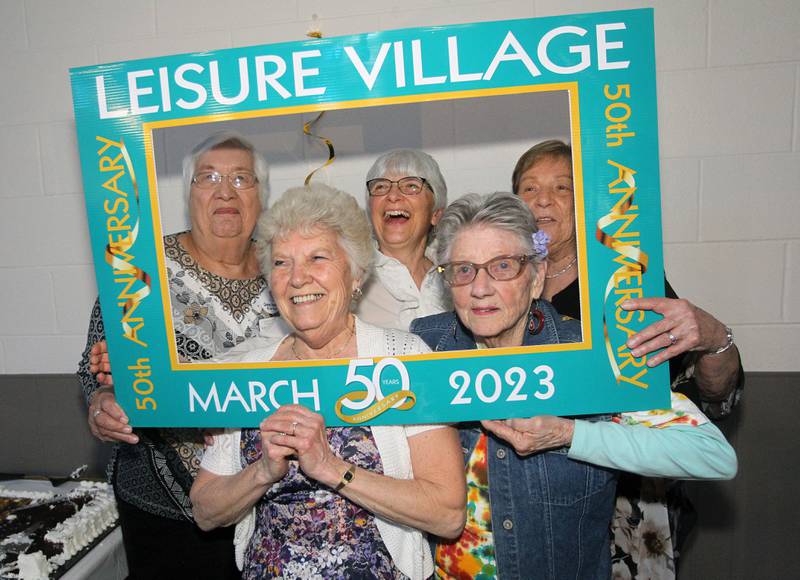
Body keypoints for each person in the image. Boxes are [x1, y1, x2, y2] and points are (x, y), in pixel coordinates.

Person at [410, 192, 737, 579]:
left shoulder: (591, 358)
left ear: (536, 277)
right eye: (464, 269)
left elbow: (714, 455)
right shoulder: (425, 348)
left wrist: (570, 434)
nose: (480, 288)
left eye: (502, 266)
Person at [190, 183, 466, 580]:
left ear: (355, 273)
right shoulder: (248, 371)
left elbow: (446, 513)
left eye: (317, 258)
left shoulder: (404, 359)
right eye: (282, 263)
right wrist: (262, 473)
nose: (298, 278)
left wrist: (332, 468)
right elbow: (204, 511)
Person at [512, 140, 744, 575]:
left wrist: (714, 337)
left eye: (563, 188)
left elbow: (713, 394)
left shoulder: (624, 279)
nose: (543, 200)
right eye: (529, 188)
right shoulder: (500, 283)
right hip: (526, 497)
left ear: (588, 203)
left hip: (625, 498)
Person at [77, 132, 278, 579]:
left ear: (262, 195)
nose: (225, 191)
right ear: (189, 193)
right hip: (161, 514)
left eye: (241, 178)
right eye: (208, 178)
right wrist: (102, 403)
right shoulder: (139, 266)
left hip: (265, 506)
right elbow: (96, 368)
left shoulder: (285, 271)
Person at [355, 148, 451, 331]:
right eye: (381, 186)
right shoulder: (351, 276)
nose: (392, 196)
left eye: (411, 186)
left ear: (436, 214)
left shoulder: (457, 274)